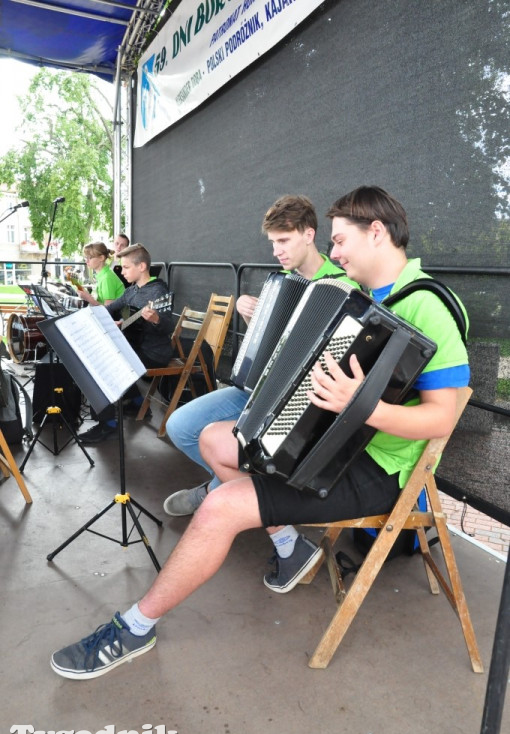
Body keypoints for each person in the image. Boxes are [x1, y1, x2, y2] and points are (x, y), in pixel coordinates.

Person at [51, 186, 470, 680]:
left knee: (221, 508)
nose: (333, 253)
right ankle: (291, 549)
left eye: (339, 241)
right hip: (336, 440)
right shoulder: (365, 299)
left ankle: (135, 626)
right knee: (214, 440)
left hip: (380, 468)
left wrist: (361, 407)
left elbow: (443, 419)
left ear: (376, 232)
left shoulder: (428, 305)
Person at [164, 194, 357, 523]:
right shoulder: (282, 283)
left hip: (299, 403)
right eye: (272, 243)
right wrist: (252, 315)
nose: (276, 251)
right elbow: (272, 345)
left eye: (284, 240)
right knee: (179, 426)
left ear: (309, 235)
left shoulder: (345, 287)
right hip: (256, 389)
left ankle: (219, 491)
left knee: (224, 440)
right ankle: (231, 488)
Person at [78, 243, 174, 445]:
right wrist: (115, 322)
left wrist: (156, 318)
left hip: (153, 352)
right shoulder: (132, 291)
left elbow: (167, 326)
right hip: (135, 346)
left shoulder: (158, 291)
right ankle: (139, 403)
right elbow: (110, 308)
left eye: (126, 267)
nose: (122, 271)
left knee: (104, 364)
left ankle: (109, 425)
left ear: (142, 267)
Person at [76, 242, 125, 306]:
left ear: (101, 258)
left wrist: (88, 298)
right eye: (86, 258)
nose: (86, 261)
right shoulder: (103, 275)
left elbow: (108, 310)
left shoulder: (107, 278)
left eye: (89, 258)